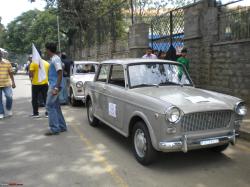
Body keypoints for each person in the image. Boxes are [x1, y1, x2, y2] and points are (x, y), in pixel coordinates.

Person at [44, 42, 67, 136]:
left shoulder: (55, 59)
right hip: (54, 85)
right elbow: (62, 67)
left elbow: (60, 72)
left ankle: (54, 129)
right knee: (56, 106)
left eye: (46, 49)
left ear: (49, 50)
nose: (45, 51)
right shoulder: (56, 59)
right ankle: (62, 126)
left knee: (49, 106)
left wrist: (56, 87)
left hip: (54, 86)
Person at [29, 53, 50, 118]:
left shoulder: (33, 63)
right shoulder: (47, 63)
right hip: (45, 83)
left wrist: (31, 77)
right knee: (46, 98)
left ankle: (36, 113)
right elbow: (49, 73)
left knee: (34, 99)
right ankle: (47, 113)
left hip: (35, 84)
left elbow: (31, 74)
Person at [0, 50, 16, 119]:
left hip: (6, 83)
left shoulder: (7, 62)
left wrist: (13, 82)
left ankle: (8, 108)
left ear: (1, 55)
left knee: (9, 97)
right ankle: (1, 112)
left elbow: (11, 73)